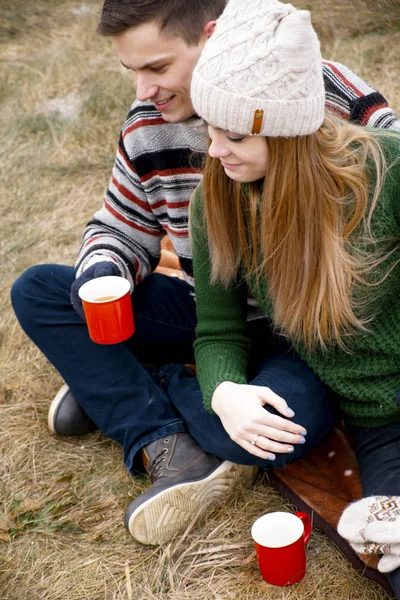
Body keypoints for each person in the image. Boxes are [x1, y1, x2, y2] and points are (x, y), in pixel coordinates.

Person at [10, 0, 400, 548]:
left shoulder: (318, 93)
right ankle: (159, 434)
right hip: (217, 310)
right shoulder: (166, 142)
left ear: (210, 37)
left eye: (157, 67)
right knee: (42, 291)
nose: (144, 89)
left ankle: (122, 384)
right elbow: (123, 228)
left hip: (305, 329)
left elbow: (382, 153)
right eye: (133, 72)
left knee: (274, 434)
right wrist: (105, 271)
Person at [187, 0, 400, 595]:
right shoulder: (219, 203)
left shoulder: (383, 171)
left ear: (287, 132)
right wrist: (224, 391)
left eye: (232, 134)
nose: (214, 150)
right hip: (376, 420)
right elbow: (218, 329)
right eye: (209, 129)